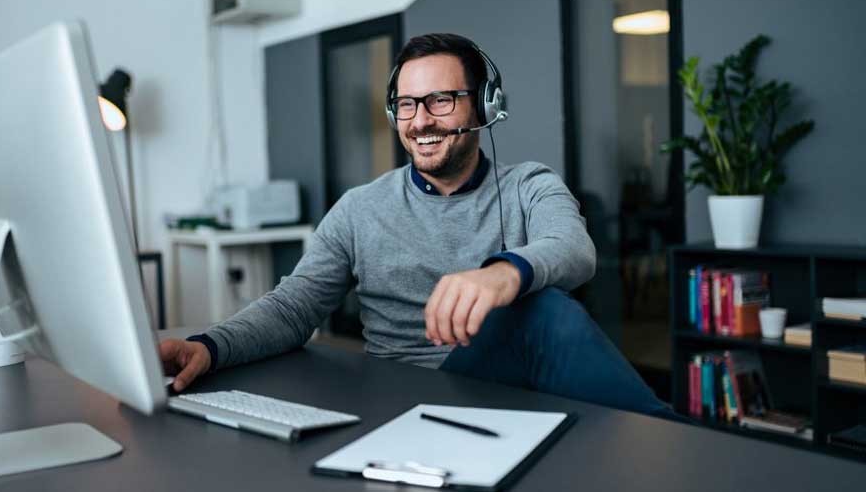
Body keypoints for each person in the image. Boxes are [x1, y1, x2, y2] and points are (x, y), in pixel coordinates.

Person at [160, 33, 670, 417]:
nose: (421, 120)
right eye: (407, 104)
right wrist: (208, 346)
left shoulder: (528, 185)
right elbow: (293, 308)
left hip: (507, 391)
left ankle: (673, 445)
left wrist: (504, 273)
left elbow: (574, 249)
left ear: (486, 105)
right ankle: (676, 441)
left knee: (543, 311)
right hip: (403, 400)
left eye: (441, 100)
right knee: (546, 314)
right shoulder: (360, 208)